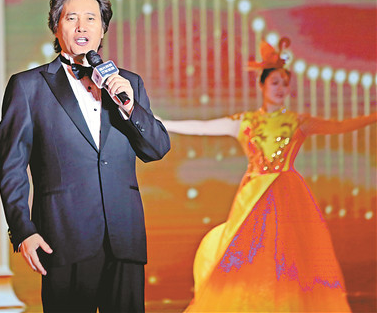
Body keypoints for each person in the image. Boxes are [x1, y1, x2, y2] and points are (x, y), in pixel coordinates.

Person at [161, 38, 376, 312]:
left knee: (288, 255)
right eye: (275, 83)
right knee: (250, 254)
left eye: (285, 84)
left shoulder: (298, 122)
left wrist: (373, 116)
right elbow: (203, 127)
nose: (281, 89)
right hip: (253, 196)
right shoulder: (246, 121)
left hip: (287, 193)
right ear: (261, 85)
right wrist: (162, 123)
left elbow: (341, 125)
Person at [0, 0, 171, 312]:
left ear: (103, 29)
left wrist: (129, 106)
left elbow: (156, 148)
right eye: (71, 17)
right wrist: (23, 230)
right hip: (63, 237)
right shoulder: (28, 87)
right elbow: (12, 168)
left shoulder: (128, 83)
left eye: (91, 18)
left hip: (125, 238)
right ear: (56, 26)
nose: (82, 26)